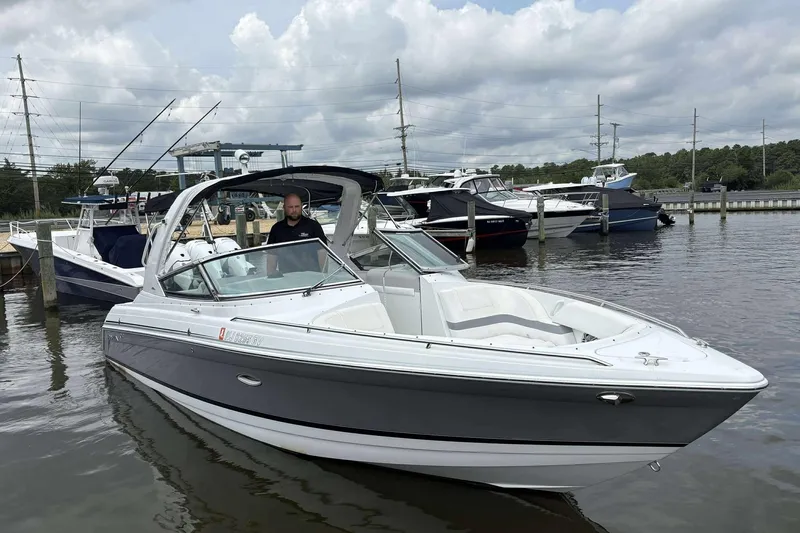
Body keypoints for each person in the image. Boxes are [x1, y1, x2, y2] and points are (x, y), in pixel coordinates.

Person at [266, 193, 327, 275]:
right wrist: (270, 275)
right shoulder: (276, 229)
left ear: (301, 206)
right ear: (284, 208)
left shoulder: (314, 226)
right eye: (290, 207)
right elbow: (271, 256)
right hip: (287, 279)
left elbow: (322, 253)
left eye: (297, 206)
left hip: (312, 277)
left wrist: (323, 276)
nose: (294, 210)